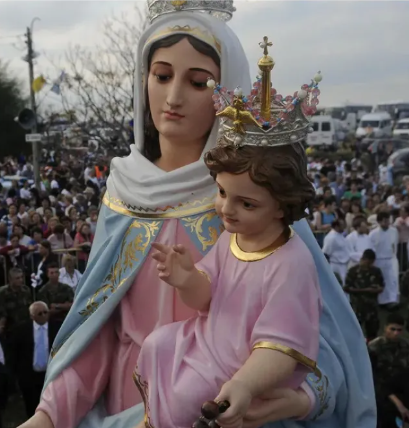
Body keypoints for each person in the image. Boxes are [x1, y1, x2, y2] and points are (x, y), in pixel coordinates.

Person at [23, 2, 375, 428]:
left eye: (198, 82)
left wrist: (298, 399)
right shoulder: (122, 194)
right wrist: (48, 416)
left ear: (226, 90)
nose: (173, 98)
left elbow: (319, 338)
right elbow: (96, 333)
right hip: (128, 400)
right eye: (162, 75)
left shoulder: (252, 202)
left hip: (218, 406)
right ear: (144, 80)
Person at [134, 44, 324, 425]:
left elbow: (282, 346)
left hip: (242, 364)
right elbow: (207, 296)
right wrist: (187, 279)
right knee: (156, 345)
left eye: (246, 204)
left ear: (282, 206)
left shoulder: (291, 263)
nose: (225, 210)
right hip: (205, 340)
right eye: (221, 194)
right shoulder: (231, 238)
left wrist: (246, 384)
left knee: (188, 398)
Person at [9, 302, 61, 418]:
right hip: (29, 376)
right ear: (32, 316)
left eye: (45, 312)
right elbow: (14, 353)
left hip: (51, 374)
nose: (43, 315)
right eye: (39, 313)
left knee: (52, 405)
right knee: (32, 406)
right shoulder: (21, 330)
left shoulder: (58, 327)